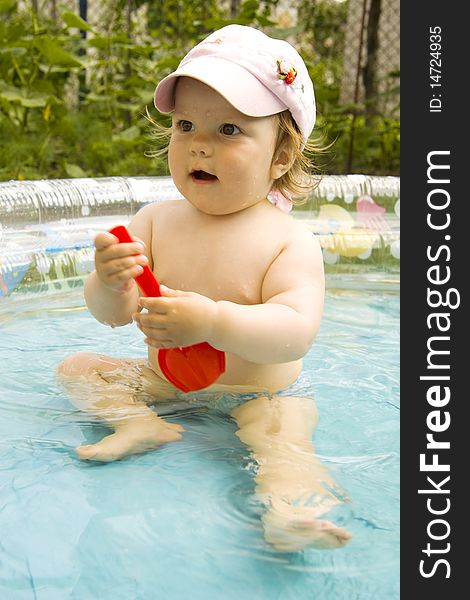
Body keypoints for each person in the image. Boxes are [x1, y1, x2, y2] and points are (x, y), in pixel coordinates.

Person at [58, 25, 351, 551]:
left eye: (229, 131)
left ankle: (290, 514)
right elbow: (112, 315)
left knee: (283, 440)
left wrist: (216, 322)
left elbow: (295, 332)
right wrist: (108, 282)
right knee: (78, 368)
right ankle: (137, 424)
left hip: (259, 393)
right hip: (163, 381)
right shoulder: (155, 221)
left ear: (281, 156)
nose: (198, 144)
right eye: (186, 124)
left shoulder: (288, 242)